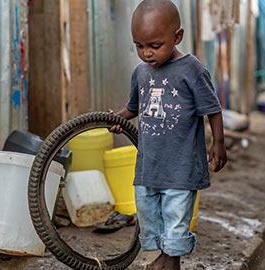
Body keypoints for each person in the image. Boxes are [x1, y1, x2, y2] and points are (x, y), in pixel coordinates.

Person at [109, 0, 227, 269]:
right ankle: (164, 256)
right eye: (139, 45)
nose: (147, 53)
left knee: (176, 216)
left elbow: (213, 108)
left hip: (182, 165)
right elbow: (133, 107)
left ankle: (171, 261)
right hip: (149, 165)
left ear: (177, 37)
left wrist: (218, 142)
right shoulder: (140, 72)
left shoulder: (192, 69)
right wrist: (116, 118)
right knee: (150, 214)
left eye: (155, 45)